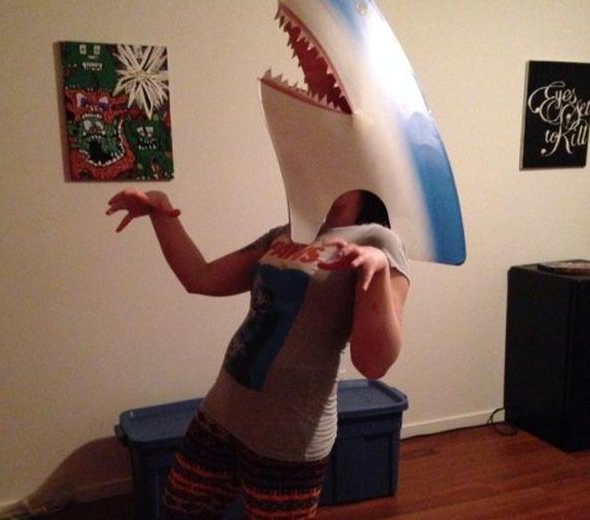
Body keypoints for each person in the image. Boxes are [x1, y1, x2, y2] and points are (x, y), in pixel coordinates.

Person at [106, 187, 410, 519]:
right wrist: (160, 211)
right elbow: (200, 277)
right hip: (220, 415)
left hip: (287, 440)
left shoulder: (378, 240)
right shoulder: (286, 233)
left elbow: (373, 363)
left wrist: (379, 271)